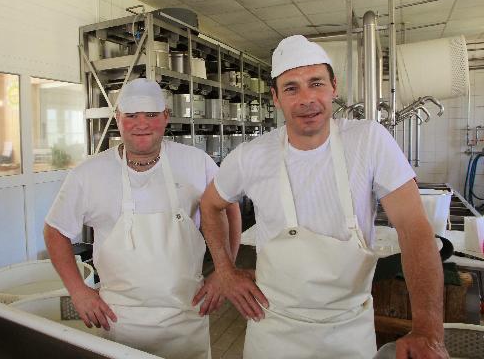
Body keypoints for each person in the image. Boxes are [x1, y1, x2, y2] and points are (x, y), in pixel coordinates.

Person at [200, 35, 448, 359]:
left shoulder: (368, 140)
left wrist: (428, 329)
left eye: (315, 83)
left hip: (349, 332)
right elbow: (211, 204)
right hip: (273, 331)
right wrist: (225, 270)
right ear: (275, 97)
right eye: (291, 88)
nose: (306, 99)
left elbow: (414, 229)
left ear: (334, 86)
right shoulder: (251, 156)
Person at [44, 78, 241, 359]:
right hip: (119, 322)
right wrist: (78, 291)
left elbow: (230, 208)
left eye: (151, 115)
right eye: (132, 116)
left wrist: (226, 271)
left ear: (165, 117)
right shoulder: (88, 175)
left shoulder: (196, 162)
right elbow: (55, 231)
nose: (142, 124)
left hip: (186, 318)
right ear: (118, 118)